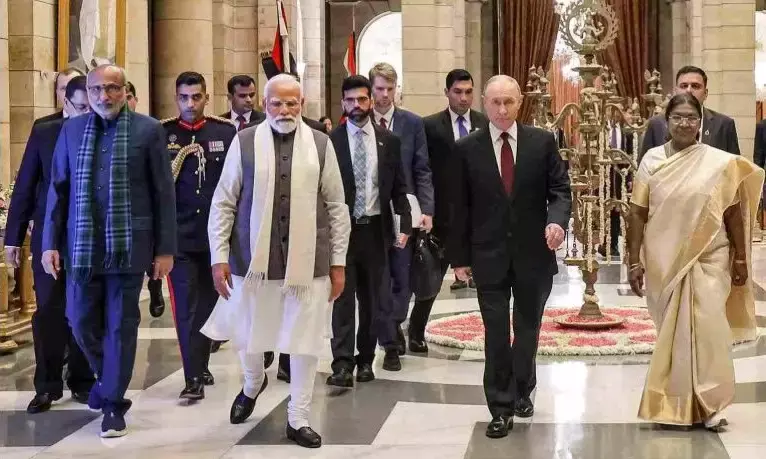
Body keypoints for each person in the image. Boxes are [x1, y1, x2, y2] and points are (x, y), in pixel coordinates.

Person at [202, 74, 350, 449]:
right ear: (264, 105)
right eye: (277, 103)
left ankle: (298, 418)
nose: (284, 110)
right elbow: (223, 202)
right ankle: (253, 382)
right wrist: (219, 256)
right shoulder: (244, 141)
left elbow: (336, 205)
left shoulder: (320, 144)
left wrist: (338, 262)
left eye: (291, 103)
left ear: (302, 104)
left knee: (304, 342)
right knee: (249, 336)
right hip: (251, 261)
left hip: (309, 263)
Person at [42, 64, 177, 438]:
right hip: (81, 248)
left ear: (125, 91)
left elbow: (163, 193)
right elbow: (58, 190)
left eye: (113, 88)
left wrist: (165, 250)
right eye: (97, 89)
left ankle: (113, 405)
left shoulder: (148, 130)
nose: (105, 96)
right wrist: (49, 243)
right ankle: (107, 380)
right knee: (79, 320)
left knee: (121, 326)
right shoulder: (71, 131)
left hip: (128, 247)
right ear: (88, 92)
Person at [627, 92, 763, 431]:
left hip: (710, 257)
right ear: (666, 122)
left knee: (708, 330)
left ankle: (711, 405)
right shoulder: (652, 160)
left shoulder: (717, 162)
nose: (685, 123)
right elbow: (638, 212)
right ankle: (672, 404)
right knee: (672, 335)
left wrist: (741, 258)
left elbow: (732, 210)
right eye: (678, 117)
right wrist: (633, 260)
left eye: (691, 117)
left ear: (700, 122)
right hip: (664, 260)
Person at [448, 75, 571, 439]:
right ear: (484, 104)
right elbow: (459, 207)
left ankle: (523, 389)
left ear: (520, 103)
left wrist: (556, 222)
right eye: (495, 102)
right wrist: (459, 258)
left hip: (534, 255)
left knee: (528, 329)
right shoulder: (466, 148)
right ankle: (500, 407)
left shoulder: (541, 142)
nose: (502, 110)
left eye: (509, 102)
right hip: (488, 256)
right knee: (497, 333)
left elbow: (560, 190)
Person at [4, 75, 93, 414]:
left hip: (87, 235)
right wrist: (13, 238)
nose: (87, 113)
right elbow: (26, 184)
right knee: (49, 312)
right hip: (49, 237)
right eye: (81, 107)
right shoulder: (45, 130)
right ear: (66, 102)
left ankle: (82, 380)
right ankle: (47, 385)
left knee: (84, 309)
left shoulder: (104, 129)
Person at [327, 75, 411, 386]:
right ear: (342, 103)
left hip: (376, 230)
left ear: (371, 101)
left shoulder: (388, 141)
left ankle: (365, 360)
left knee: (373, 300)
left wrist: (405, 224)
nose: (356, 105)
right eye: (350, 100)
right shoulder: (330, 142)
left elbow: (399, 188)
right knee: (342, 299)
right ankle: (342, 364)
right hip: (342, 231)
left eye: (362, 99)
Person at [161, 72, 237, 400]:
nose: (190, 104)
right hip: (179, 237)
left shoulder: (225, 132)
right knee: (185, 308)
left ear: (207, 97)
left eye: (196, 97)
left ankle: (201, 362)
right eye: (184, 98)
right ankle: (192, 376)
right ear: (176, 99)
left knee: (208, 305)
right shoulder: (163, 133)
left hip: (214, 237)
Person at [412, 69, 488, 352]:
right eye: (458, 92)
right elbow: (423, 169)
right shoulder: (430, 126)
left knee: (486, 282)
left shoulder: (484, 123)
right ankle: (415, 332)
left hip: (477, 216)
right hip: (443, 216)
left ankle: (490, 333)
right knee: (431, 280)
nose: (463, 98)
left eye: (468, 92)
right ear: (447, 93)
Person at [369, 62, 434, 367]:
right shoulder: (361, 120)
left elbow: (422, 169)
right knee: (379, 276)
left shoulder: (412, 123)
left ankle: (395, 322)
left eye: (390, 89)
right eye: (379, 88)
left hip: (405, 210)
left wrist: (427, 209)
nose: (385, 95)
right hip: (372, 212)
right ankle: (389, 339)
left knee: (403, 275)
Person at [126, 80, 166, 318]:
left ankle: (155, 284)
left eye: (129, 97)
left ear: (135, 100)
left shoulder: (149, 129)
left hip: (147, 210)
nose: (126, 102)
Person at [640, 66, 739, 161]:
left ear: (705, 93)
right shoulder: (657, 123)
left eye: (695, 86)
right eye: (684, 86)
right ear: (676, 91)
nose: (689, 90)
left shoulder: (724, 124)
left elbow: (735, 167)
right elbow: (646, 164)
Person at [599, 106, 634, 257]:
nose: (615, 114)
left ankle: (612, 244)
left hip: (620, 175)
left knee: (617, 209)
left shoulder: (626, 132)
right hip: (604, 174)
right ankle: (601, 242)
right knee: (602, 208)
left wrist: (630, 177)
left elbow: (630, 156)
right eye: (612, 111)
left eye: (619, 111)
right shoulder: (601, 129)